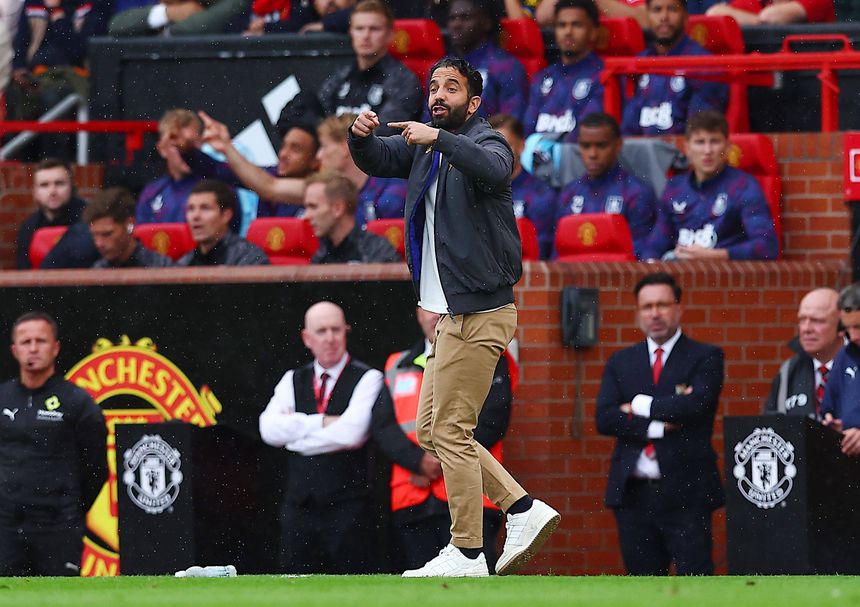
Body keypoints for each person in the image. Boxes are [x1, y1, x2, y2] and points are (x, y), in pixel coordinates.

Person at [349, 56, 560, 578]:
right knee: (432, 430)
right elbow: (377, 157)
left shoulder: (484, 142)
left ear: (474, 101)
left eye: (452, 87)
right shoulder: (425, 145)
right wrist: (360, 136)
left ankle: (467, 551)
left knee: (451, 430)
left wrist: (436, 139)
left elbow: (493, 167)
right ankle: (523, 508)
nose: (439, 94)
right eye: (434, 86)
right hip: (449, 315)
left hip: (481, 312)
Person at [595, 272, 724, 575]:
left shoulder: (705, 357)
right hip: (634, 493)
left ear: (679, 308)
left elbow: (695, 406)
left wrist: (638, 405)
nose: (655, 313)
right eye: (647, 306)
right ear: (638, 312)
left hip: (687, 492)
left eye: (663, 304)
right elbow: (605, 417)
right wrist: (658, 424)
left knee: (696, 583)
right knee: (642, 586)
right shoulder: (621, 362)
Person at [372, 307, 513, 573]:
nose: (436, 315)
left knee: (476, 581)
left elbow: (495, 418)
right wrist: (417, 462)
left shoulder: (486, 356)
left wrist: (441, 460)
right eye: (430, 309)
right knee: (419, 587)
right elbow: (383, 427)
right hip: (412, 495)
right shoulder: (396, 364)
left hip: (472, 495)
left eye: (443, 309)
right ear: (417, 314)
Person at [258, 301, 383, 573]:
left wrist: (294, 434)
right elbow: (268, 429)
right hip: (299, 507)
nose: (329, 338)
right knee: (294, 586)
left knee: (355, 588)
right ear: (307, 338)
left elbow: (352, 433)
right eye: (322, 331)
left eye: (336, 330)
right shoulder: (292, 379)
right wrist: (323, 422)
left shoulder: (369, 378)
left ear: (346, 332)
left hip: (350, 509)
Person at [0, 311, 107, 576]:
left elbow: (96, 467)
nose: (33, 349)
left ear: (55, 347)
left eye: (41, 341)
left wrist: (67, 509)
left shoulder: (77, 402)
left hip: (58, 529)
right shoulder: (2, 398)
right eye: (26, 342)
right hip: (6, 529)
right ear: (14, 350)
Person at [200, 112, 407, 227]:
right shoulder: (324, 188)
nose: (318, 156)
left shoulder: (392, 188)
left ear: (345, 147)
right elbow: (269, 186)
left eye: (324, 147)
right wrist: (227, 147)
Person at [640, 111, 778, 261]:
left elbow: (767, 246)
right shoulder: (675, 188)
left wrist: (715, 256)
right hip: (679, 275)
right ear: (687, 148)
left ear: (727, 147)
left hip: (726, 276)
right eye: (700, 142)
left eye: (715, 142)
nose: (707, 151)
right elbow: (656, 243)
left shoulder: (744, 186)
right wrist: (650, 264)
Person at [170, 113, 320, 219]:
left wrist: (227, 147)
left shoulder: (322, 190)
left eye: (296, 149)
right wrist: (187, 151)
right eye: (284, 146)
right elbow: (218, 170)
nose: (283, 154)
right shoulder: (268, 175)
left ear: (316, 159)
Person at [556, 112, 657, 259]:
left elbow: (639, 254)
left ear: (618, 145)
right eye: (586, 146)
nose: (592, 154)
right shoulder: (569, 193)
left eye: (601, 146)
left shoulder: (636, 193)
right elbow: (558, 252)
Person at [315, 0, 422, 137]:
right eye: (359, 28)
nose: (366, 36)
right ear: (351, 33)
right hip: (332, 154)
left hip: (373, 155)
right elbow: (319, 122)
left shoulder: (404, 80)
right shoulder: (340, 76)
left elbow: (385, 132)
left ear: (390, 34)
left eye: (374, 29)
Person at [621, 0, 728, 136]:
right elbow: (628, 129)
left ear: (685, 16)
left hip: (682, 153)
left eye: (672, 9)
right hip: (640, 153)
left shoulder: (704, 64)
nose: (664, 17)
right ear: (647, 15)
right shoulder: (637, 64)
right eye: (657, 10)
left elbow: (699, 134)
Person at [522, 0, 604, 141]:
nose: (568, 32)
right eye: (561, 25)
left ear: (594, 32)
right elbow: (527, 129)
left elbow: (588, 137)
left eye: (576, 25)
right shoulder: (543, 77)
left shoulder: (603, 75)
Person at [763, 288, 842, 420]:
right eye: (802, 320)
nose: (806, 329)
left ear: (841, 325)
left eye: (817, 321)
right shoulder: (789, 370)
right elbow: (771, 424)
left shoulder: (855, 364)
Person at [489, 113, 559, 260]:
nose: (497, 153)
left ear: (521, 146)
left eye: (504, 145)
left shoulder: (541, 194)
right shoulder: (474, 190)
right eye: (489, 146)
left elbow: (541, 253)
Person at [447, 0, 529, 121]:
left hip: (486, 138)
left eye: (465, 17)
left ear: (486, 22)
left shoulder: (506, 66)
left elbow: (509, 124)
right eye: (452, 18)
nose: (456, 24)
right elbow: (428, 120)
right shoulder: (442, 67)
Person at [305, 171, 401, 264]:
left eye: (313, 207)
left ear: (337, 208)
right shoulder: (320, 257)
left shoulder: (377, 250)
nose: (306, 216)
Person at [176, 179, 269, 266]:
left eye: (205, 208)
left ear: (226, 215)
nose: (195, 216)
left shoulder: (249, 258)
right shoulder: (184, 262)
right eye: (191, 209)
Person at [16, 158, 87, 269]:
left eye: (59, 183)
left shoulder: (90, 218)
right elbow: (24, 272)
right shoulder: (29, 227)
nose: (52, 191)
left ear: (72, 187)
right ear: (35, 192)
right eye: (44, 185)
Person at [86, 187, 173, 268]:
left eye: (107, 234)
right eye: (94, 235)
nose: (99, 243)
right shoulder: (97, 272)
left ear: (129, 224)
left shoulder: (160, 267)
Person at [821, 283, 860, 457]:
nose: (853, 337)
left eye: (858, 327)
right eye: (847, 329)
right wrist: (834, 425)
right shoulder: (845, 355)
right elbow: (829, 408)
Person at [108, 0, 247, 36]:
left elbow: (193, 29)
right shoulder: (162, 7)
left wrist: (168, 30)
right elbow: (116, 26)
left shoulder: (229, 4)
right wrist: (167, 13)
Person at [245, 0, 355, 34]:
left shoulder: (358, 9)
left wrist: (324, 25)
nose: (329, 1)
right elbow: (296, 25)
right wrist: (264, 28)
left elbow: (364, 14)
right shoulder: (304, 9)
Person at [706, 0, 834, 24]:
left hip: (810, 78)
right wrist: (758, 21)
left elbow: (771, 17)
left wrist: (748, 20)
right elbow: (714, 12)